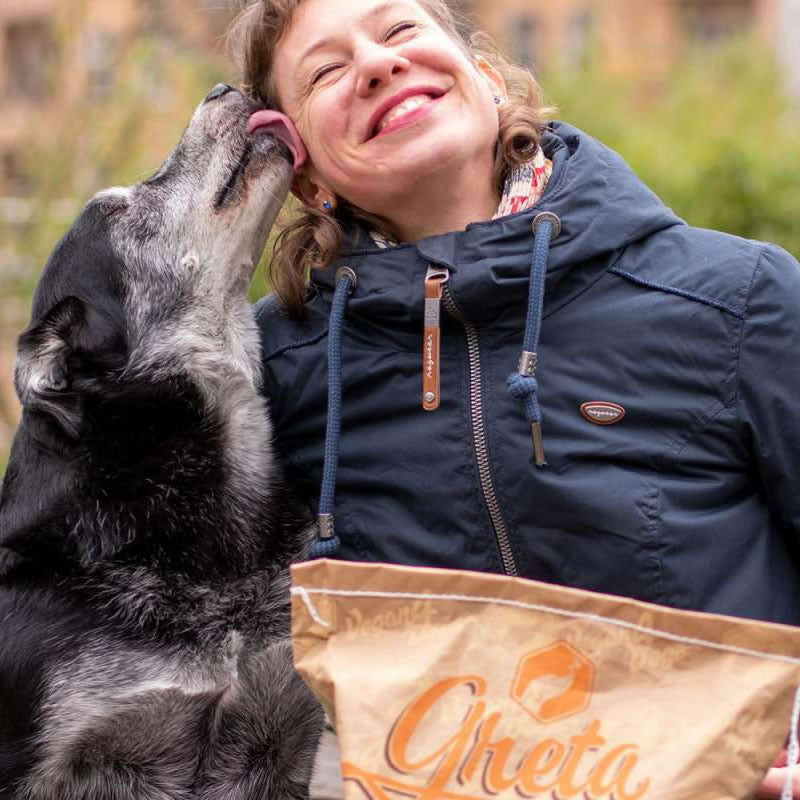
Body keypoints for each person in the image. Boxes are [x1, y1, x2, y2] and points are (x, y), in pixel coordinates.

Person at [229, 0, 800, 795]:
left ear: (488, 77)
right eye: (325, 71)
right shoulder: (263, 376)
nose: (376, 64)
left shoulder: (738, 301)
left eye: (399, 30)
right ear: (305, 172)